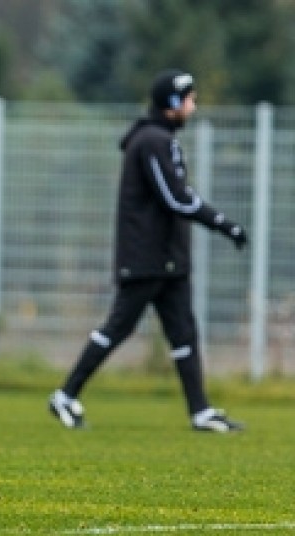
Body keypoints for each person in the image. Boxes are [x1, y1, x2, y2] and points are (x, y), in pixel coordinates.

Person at [48, 69, 248, 433]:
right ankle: (65, 395)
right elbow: (175, 198)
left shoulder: (160, 139)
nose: (193, 106)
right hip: (146, 258)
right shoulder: (152, 142)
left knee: (184, 333)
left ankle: (201, 412)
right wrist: (223, 223)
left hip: (168, 260)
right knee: (118, 327)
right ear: (172, 103)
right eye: (189, 99)